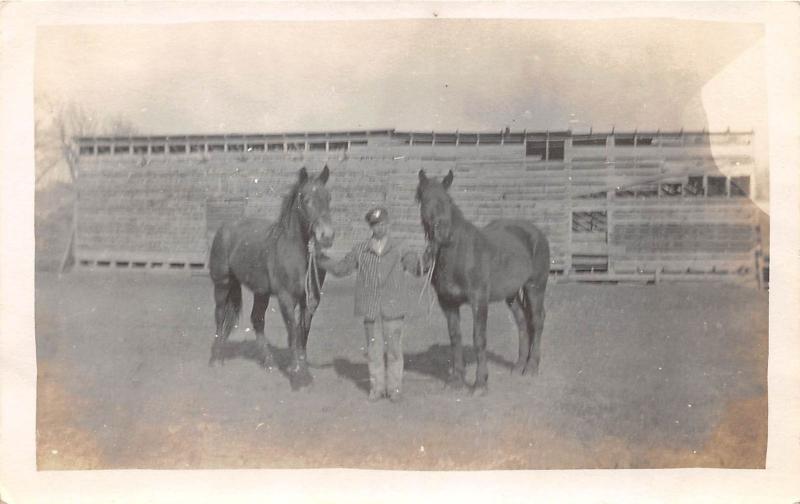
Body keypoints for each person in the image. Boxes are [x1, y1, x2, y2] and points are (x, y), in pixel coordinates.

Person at [316, 206, 424, 403]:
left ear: (388, 224)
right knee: (374, 351)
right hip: (371, 308)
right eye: (375, 225)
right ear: (370, 227)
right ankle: (377, 388)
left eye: (382, 224)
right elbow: (340, 269)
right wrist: (318, 256)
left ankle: (395, 389)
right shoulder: (361, 249)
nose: (379, 228)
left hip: (393, 308)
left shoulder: (400, 247)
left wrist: (428, 256)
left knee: (394, 351)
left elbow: (417, 267)